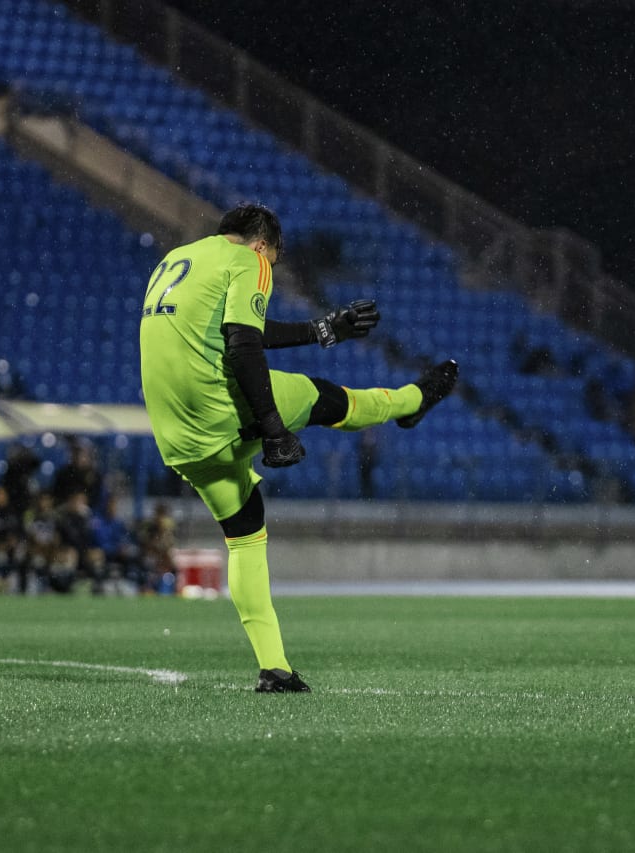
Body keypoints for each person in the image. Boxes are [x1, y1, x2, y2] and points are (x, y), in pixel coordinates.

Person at [139, 202, 457, 692]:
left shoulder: (176, 261)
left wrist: (323, 330)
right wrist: (272, 427)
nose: (271, 270)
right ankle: (412, 401)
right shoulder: (250, 260)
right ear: (263, 243)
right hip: (221, 410)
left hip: (178, 437)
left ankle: (275, 668)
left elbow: (233, 330)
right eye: (275, 259)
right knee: (327, 398)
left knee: (245, 530)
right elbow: (243, 344)